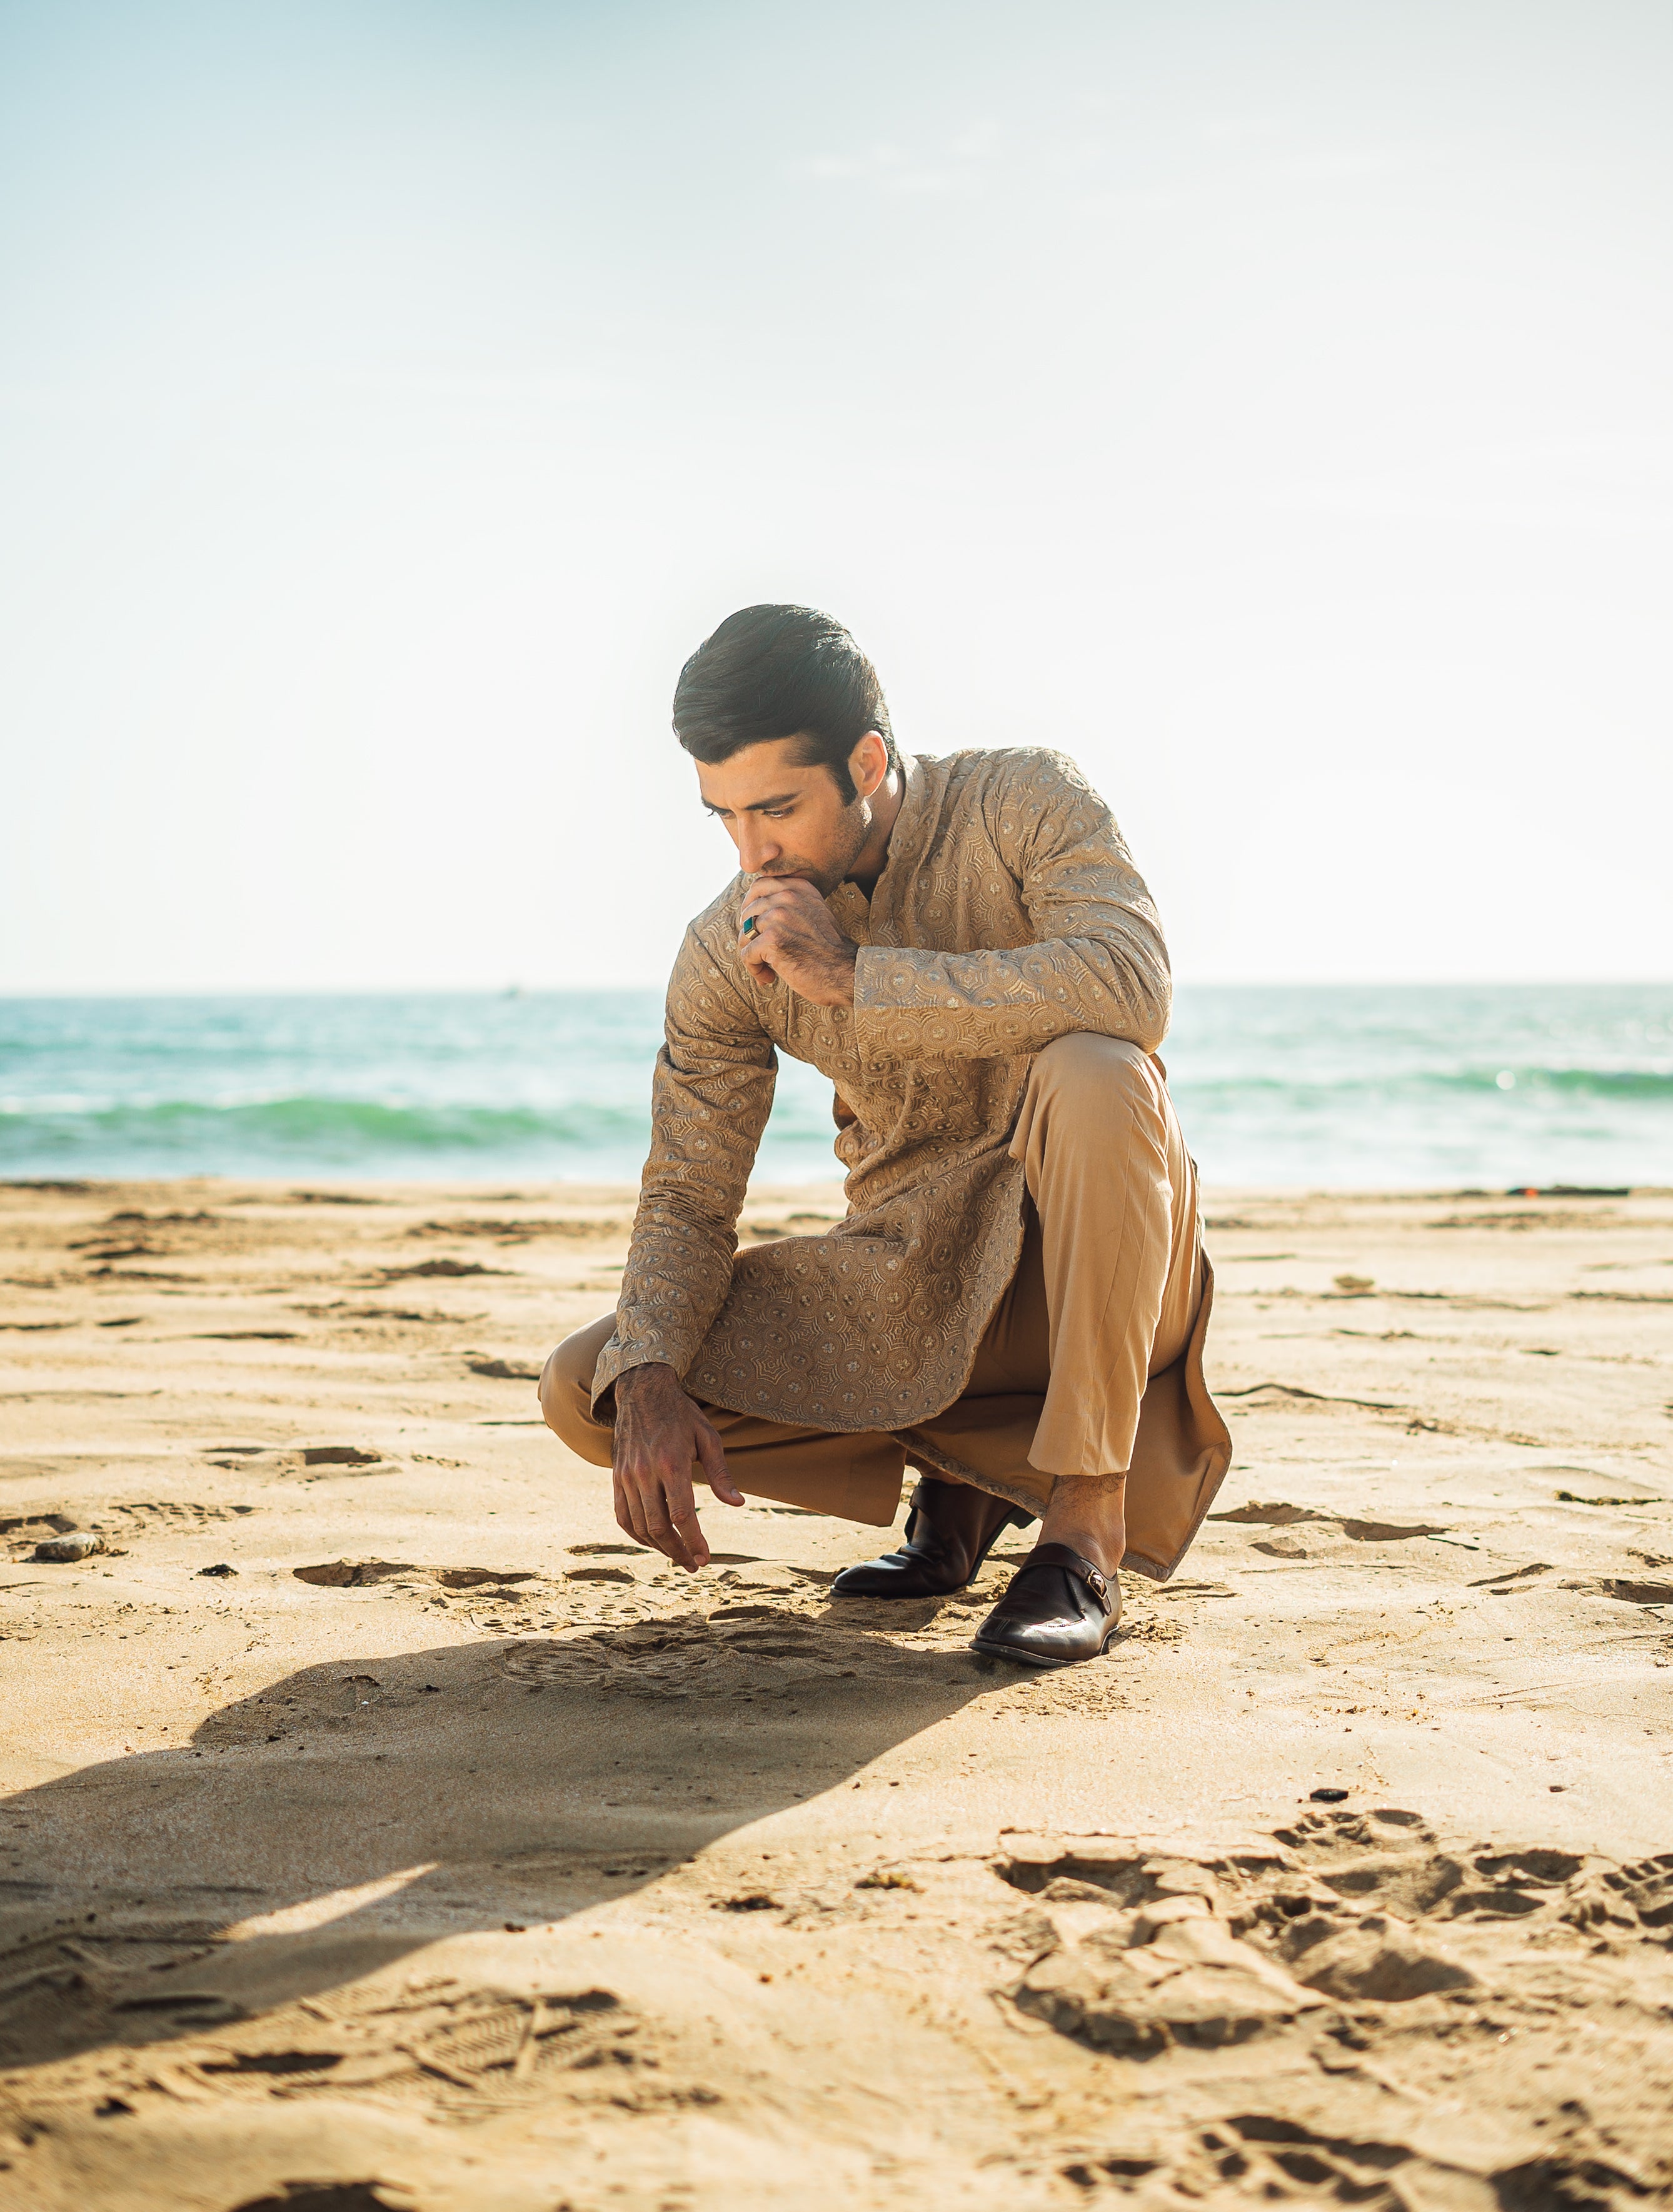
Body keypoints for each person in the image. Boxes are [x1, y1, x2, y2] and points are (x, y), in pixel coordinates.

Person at [541, 605, 1230, 1667]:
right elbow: (688, 1192)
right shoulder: (727, 950)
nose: (752, 850)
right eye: (723, 816)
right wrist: (653, 1376)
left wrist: (860, 981)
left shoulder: (1023, 800)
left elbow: (1132, 980)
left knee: (1098, 1068)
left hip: (1104, 1288)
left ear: (867, 759)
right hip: (916, 1294)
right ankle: (963, 1481)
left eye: (776, 808)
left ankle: (1083, 1527)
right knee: (595, 1379)